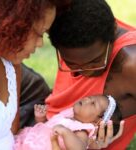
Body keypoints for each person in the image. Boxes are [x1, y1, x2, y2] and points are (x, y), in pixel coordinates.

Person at [44, 0, 136, 149]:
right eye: (72, 65)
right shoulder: (70, 28)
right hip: (43, 123)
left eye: (95, 62)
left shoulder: (131, 62)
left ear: (113, 30)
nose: (85, 72)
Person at [0, 0, 71, 149]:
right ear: (12, 25)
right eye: (39, 34)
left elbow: (12, 135)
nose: (40, 44)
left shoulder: (11, 67)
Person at [14, 95, 122, 150]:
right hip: (26, 141)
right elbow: (49, 128)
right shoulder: (68, 115)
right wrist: (41, 119)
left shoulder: (82, 130)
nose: (86, 99)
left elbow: (79, 148)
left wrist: (66, 132)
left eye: (93, 103)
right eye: (90, 97)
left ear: (97, 122)